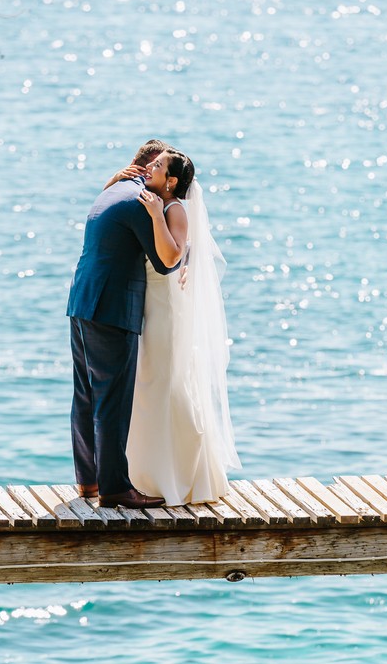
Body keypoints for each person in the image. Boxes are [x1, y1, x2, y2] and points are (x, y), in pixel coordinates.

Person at [121, 149, 241, 506]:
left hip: (166, 308)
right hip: (151, 306)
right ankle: (149, 474)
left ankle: (179, 476)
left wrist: (156, 216)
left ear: (171, 182)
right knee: (150, 386)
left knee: (164, 384)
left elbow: (171, 257)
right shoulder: (161, 203)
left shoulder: (173, 209)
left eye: (158, 166)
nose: (150, 168)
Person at [66, 140, 182, 509]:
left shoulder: (114, 189)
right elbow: (165, 263)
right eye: (156, 166)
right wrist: (158, 217)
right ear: (146, 166)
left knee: (85, 395)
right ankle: (115, 487)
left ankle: (88, 482)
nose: (154, 173)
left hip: (82, 300)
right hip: (112, 307)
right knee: (112, 401)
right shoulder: (138, 202)